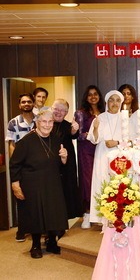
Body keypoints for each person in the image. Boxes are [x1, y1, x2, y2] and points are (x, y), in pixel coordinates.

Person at [10, 109, 69, 258]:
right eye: (44, 121)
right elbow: (15, 164)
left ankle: (52, 242)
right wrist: (15, 184)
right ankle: (35, 245)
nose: (47, 125)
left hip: (52, 181)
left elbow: (61, 165)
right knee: (36, 214)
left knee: (53, 212)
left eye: (50, 122)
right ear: (37, 123)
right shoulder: (26, 141)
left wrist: (64, 159)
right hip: (32, 183)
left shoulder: (56, 140)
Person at [87, 90, 124, 225]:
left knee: (120, 185)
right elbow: (93, 139)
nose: (114, 103)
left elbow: (132, 140)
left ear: (121, 102)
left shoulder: (126, 118)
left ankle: (120, 216)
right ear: (107, 102)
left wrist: (117, 142)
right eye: (111, 100)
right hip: (103, 155)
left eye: (117, 100)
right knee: (103, 182)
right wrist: (96, 128)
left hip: (121, 156)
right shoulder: (100, 118)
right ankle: (103, 218)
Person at [6, 93, 36, 241]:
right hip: (21, 165)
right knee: (21, 197)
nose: (26, 104)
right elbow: (11, 144)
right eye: (23, 102)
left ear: (33, 104)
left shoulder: (39, 120)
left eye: (29, 101)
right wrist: (14, 164)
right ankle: (22, 230)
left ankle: (38, 228)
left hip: (37, 164)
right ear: (19, 105)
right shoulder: (13, 122)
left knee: (36, 197)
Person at [74, 85, 104, 229]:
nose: (93, 97)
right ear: (86, 97)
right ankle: (87, 213)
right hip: (86, 150)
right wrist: (91, 134)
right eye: (90, 94)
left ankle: (100, 213)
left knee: (102, 179)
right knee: (88, 181)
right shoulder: (81, 113)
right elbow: (78, 135)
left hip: (102, 149)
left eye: (96, 94)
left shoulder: (104, 113)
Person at [51, 99, 82, 220]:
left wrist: (75, 130)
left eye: (62, 110)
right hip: (49, 165)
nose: (58, 112)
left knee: (66, 191)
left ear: (66, 113)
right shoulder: (44, 123)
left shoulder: (68, 125)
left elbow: (73, 134)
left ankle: (63, 219)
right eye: (56, 109)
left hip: (66, 165)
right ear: (51, 109)